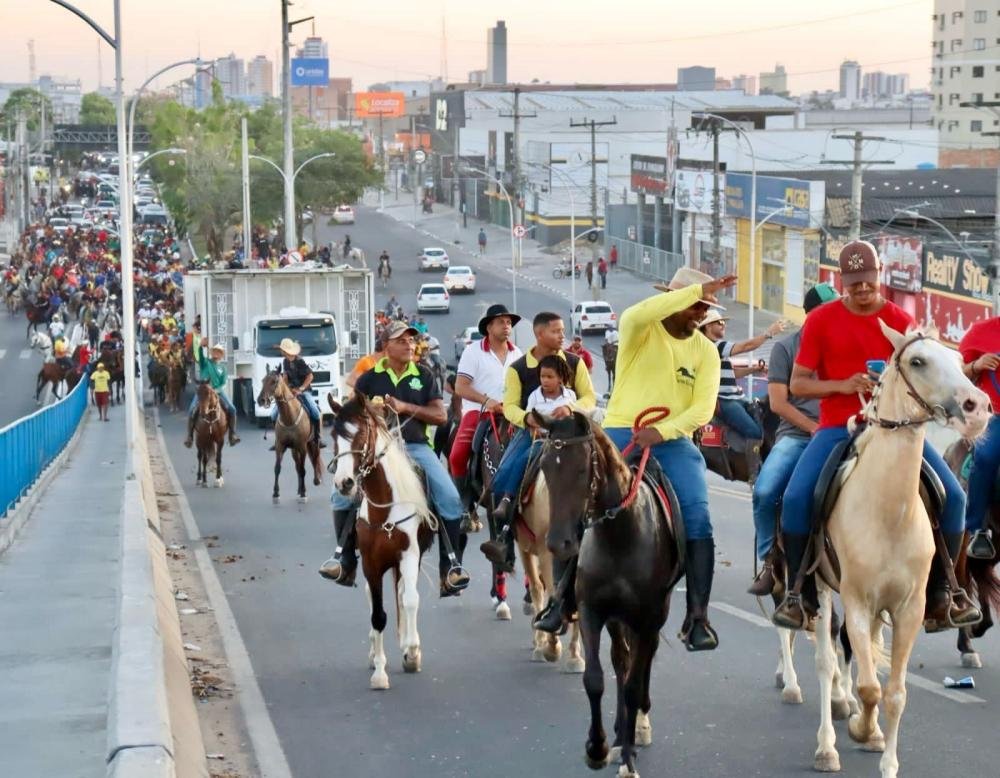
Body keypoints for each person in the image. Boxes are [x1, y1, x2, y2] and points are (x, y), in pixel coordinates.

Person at [773, 240, 980, 631]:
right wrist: (842, 385)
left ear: (879, 277)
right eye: (854, 284)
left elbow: (932, 378)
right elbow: (798, 385)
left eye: (868, 282)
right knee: (798, 496)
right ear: (842, 282)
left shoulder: (902, 321)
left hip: (897, 432)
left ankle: (945, 591)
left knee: (953, 496)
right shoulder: (820, 321)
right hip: (838, 427)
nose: (862, 290)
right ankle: (798, 594)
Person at [535, 268, 736, 650]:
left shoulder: (706, 351)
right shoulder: (639, 329)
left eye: (705, 307)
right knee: (574, 501)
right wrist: (695, 290)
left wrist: (662, 431)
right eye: (695, 305)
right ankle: (561, 600)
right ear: (672, 302)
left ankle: (697, 618)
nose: (700, 313)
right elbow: (639, 313)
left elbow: (703, 409)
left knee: (698, 516)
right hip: (622, 431)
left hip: (672, 439)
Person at [320, 321, 471, 596]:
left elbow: (440, 415)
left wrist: (404, 407)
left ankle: (450, 567)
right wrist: (371, 414)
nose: (409, 345)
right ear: (386, 345)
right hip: (377, 450)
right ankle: (344, 559)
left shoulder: (423, 375)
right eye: (402, 341)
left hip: (415, 446)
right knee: (340, 494)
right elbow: (355, 415)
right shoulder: (370, 378)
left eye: (411, 341)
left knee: (449, 498)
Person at [482, 312, 597, 573]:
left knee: (608, 464)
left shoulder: (574, 362)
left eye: (562, 331)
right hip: (533, 433)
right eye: (556, 331)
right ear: (539, 334)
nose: (562, 336)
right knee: (507, 471)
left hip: (572, 432)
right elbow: (510, 406)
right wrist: (527, 418)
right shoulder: (518, 369)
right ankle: (504, 539)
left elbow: (590, 398)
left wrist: (572, 407)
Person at [747, 283, 838, 596]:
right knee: (765, 491)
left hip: (844, 431)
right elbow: (778, 403)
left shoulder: (845, 344)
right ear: (809, 315)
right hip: (798, 436)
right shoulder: (785, 349)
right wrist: (814, 428)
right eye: (823, 313)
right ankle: (769, 561)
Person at [448, 304, 522, 509]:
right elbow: (460, 387)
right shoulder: (473, 351)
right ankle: (464, 503)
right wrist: (487, 401)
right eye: (501, 322)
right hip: (479, 412)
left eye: (509, 322)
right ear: (489, 327)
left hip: (511, 412)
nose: (506, 326)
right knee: (457, 455)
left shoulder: (518, 354)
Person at [700, 309, 786, 481]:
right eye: (719, 322)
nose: (723, 325)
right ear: (708, 326)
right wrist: (769, 333)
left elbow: (732, 374)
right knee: (754, 432)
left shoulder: (715, 349)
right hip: (724, 401)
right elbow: (747, 346)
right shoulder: (712, 346)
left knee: (762, 414)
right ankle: (755, 474)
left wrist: (753, 369)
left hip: (736, 397)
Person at [958, 317, 1000, 560]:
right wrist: (977, 365)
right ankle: (976, 530)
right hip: (995, 415)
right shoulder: (981, 332)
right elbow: (955, 373)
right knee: (986, 456)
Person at [268, 338, 325, 449]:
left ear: (286, 351)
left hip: (304, 391)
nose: (281, 352)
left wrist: (301, 389)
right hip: (291, 392)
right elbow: (285, 377)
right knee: (273, 414)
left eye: (282, 350)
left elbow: (310, 376)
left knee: (315, 412)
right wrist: (285, 389)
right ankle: (278, 439)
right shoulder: (285, 361)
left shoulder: (300, 361)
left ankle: (318, 438)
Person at [184, 338, 240, 448]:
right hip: (203, 392)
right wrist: (201, 346)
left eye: (218, 352)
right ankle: (189, 436)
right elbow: (199, 355)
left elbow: (223, 382)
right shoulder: (205, 363)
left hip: (217, 392)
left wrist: (215, 390)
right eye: (214, 351)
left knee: (232, 408)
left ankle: (232, 434)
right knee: (191, 409)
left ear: (221, 355)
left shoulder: (222, 368)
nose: (216, 353)